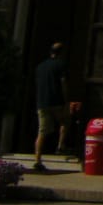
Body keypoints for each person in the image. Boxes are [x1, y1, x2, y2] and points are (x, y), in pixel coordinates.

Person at [33, 42, 68, 172]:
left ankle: (37, 160)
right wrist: (66, 100)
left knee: (41, 132)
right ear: (61, 53)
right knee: (64, 121)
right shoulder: (61, 65)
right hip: (56, 101)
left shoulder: (40, 67)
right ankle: (60, 146)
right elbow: (63, 83)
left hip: (42, 103)